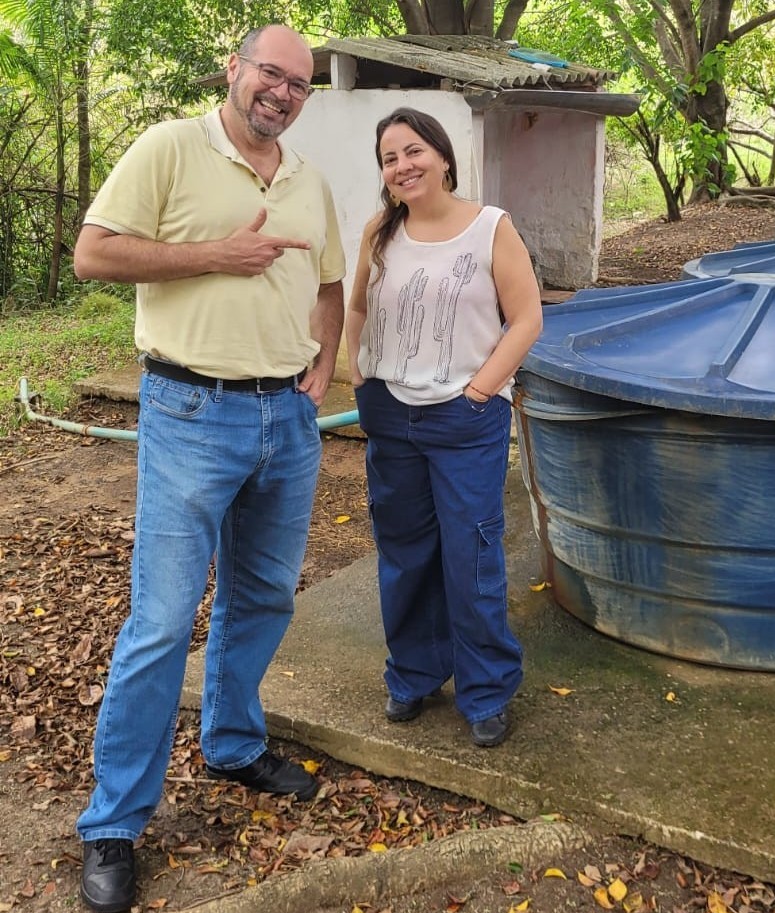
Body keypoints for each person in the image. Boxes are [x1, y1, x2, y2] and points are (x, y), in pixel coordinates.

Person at [71, 24, 345, 913]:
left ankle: (232, 743)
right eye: (272, 73)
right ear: (235, 70)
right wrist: (215, 256)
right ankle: (113, 824)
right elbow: (94, 252)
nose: (283, 92)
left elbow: (332, 284)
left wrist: (323, 365)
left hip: (287, 418)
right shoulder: (168, 149)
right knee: (160, 619)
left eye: (300, 84)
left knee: (263, 595)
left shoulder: (309, 179)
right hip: (190, 410)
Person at [345, 108, 543, 751]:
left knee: (473, 554)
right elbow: (355, 306)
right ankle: (414, 674)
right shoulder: (380, 230)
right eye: (389, 158)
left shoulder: (491, 228)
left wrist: (483, 389)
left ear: (443, 156)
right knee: (404, 554)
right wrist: (358, 375)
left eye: (413, 151)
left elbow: (527, 318)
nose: (402, 166)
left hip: (464, 416)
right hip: (389, 414)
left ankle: (485, 690)